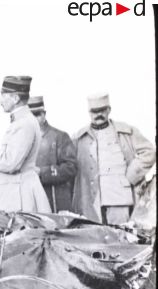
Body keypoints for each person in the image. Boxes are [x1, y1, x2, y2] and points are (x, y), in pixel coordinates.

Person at [72, 93, 156, 225]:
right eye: (94, 111)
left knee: (120, 238)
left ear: (108, 110)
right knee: (94, 240)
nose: (98, 114)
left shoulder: (126, 131)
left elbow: (149, 152)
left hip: (119, 198)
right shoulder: (79, 137)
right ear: (89, 113)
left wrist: (132, 175)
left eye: (102, 110)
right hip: (92, 202)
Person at [0, 76, 51, 213]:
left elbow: (11, 163)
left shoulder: (23, 124)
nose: (0, 100)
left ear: (15, 99)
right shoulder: (23, 121)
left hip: (20, 198)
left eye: (3, 95)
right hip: (18, 194)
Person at [27, 96, 77, 213]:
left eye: (37, 114)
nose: (34, 119)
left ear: (44, 114)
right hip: (30, 202)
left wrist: (42, 172)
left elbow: (71, 168)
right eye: (30, 116)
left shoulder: (60, 137)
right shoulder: (20, 141)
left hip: (55, 202)